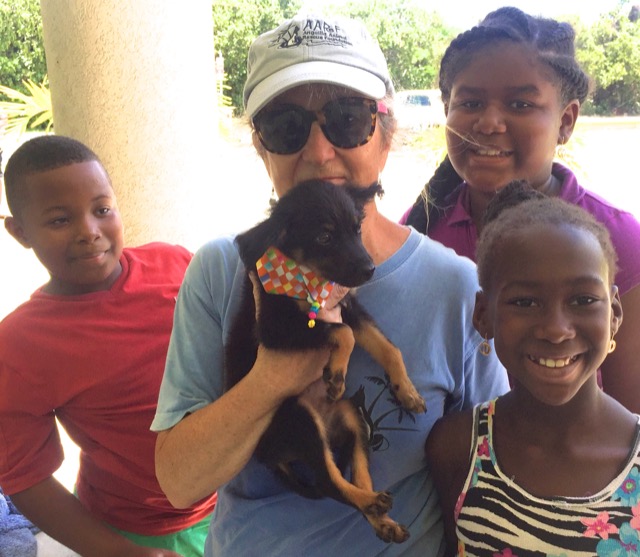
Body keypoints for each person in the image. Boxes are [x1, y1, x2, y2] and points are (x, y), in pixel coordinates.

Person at [152, 11, 509, 557]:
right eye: (286, 127)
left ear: (385, 135)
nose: (318, 154)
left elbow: (489, 471)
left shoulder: (455, 286)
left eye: (346, 119)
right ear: (261, 147)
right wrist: (276, 375)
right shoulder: (222, 269)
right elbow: (181, 482)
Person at [401, 6, 640, 414]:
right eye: (470, 103)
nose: (489, 123)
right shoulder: (421, 232)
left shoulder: (620, 240)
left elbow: (631, 415)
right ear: (447, 110)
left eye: (520, 104)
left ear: (566, 121)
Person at [0, 135, 216, 557]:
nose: (89, 232)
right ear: (19, 231)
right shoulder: (20, 346)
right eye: (60, 220)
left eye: (102, 210)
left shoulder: (175, 264)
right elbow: (25, 478)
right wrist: (120, 553)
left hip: (239, 496)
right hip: (137, 530)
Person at [425, 181, 639, 556]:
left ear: (615, 313)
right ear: (482, 316)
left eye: (584, 299)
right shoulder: (457, 449)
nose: (556, 330)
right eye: (525, 302)